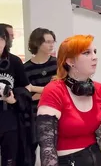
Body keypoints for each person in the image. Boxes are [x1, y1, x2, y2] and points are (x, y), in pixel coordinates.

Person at [36, 35, 101, 166]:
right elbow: (46, 144)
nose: (95, 57)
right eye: (87, 53)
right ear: (70, 61)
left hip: (98, 158)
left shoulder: (100, 89)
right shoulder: (54, 90)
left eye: (95, 52)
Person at [23, 27, 57, 165]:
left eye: (52, 41)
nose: (51, 45)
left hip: (53, 115)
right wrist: (45, 90)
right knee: (29, 152)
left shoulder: (57, 64)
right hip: (32, 116)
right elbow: (27, 96)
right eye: (47, 42)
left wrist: (34, 89)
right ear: (37, 43)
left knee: (51, 152)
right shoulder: (25, 68)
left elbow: (57, 90)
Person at [0, 25, 31, 165]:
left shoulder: (14, 61)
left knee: (10, 159)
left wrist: (14, 100)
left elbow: (25, 90)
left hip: (9, 117)